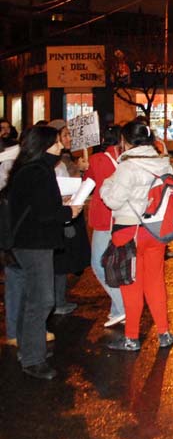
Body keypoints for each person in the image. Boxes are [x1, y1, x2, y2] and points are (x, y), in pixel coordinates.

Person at [6, 126, 83, 379]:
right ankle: (32, 359)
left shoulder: (32, 168)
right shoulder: (37, 172)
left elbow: (37, 205)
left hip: (29, 242)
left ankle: (28, 348)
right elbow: (44, 213)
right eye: (57, 142)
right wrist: (68, 212)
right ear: (45, 145)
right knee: (42, 300)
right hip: (34, 244)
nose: (61, 146)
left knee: (32, 298)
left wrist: (58, 206)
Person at [100, 121, 173, 351]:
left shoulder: (127, 166)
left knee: (131, 284)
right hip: (155, 231)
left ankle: (131, 338)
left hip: (128, 231)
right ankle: (164, 333)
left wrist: (106, 184)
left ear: (126, 141)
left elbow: (113, 200)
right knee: (155, 283)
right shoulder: (163, 162)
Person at [82, 125, 126, 328]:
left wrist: (84, 167)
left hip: (105, 220)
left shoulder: (97, 160)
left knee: (99, 265)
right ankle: (117, 309)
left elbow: (87, 184)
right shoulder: (127, 159)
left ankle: (123, 306)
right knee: (117, 264)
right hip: (125, 219)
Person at [47, 119, 91, 316]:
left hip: (65, 213)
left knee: (61, 261)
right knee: (58, 263)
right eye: (64, 135)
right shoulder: (52, 163)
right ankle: (55, 302)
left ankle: (58, 300)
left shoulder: (64, 160)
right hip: (59, 215)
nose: (68, 138)